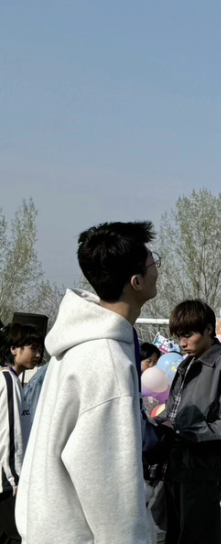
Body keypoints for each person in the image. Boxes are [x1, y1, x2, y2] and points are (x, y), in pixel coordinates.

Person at [16, 221, 158, 542]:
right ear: (135, 282)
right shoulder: (107, 358)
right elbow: (109, 483)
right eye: (154, 263)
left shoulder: (75, 346)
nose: (158, 271)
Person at [160, 299, 221, 544]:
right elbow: (174, 410)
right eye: (179, 336)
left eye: (188, 335)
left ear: (209, 330)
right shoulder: (187, 363)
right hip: (177, 467)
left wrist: (181, 432)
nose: (182, 343)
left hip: (203, 471)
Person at [0, 323, 44, 542]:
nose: (37, 355)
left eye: (39, 349)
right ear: (14, 349)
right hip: (5, 482)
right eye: (32, 348)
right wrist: (13, 479)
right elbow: (9, 434)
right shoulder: (8, 380)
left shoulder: (12, 380)